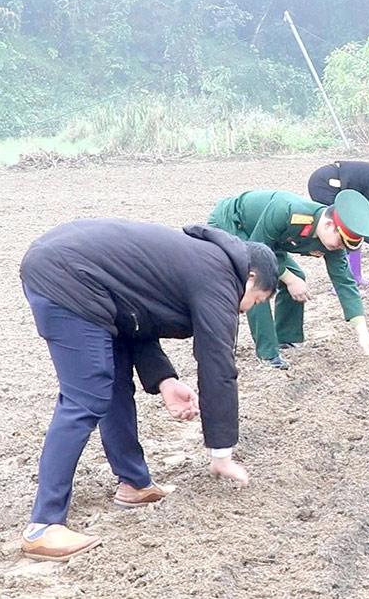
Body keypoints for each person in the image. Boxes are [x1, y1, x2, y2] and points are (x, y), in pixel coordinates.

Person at [17, 219, 279, 561]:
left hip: (80, 276)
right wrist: (221, 452)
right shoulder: (219, 277)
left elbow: (136, 318)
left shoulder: (200, 261)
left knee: (112, 386)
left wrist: (164, 380)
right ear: (252, 278)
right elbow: (217, 364)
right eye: (257, 302)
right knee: (85, 398)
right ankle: (43, 527)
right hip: (68, 276)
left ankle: (135, 484)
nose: (247, 310)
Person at [208, 189, 369, 370]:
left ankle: (286, 338)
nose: (340, 247)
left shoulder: (332, 241)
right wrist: (290, 279)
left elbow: (345, 282)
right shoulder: (287, 211)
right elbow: (256, 254)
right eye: (340, 242)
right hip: (233, 224)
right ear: (329, 225)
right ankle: (268, 354)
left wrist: (362, 331)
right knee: (258, 284)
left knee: (296, 276)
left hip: (266, 242)